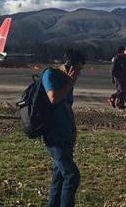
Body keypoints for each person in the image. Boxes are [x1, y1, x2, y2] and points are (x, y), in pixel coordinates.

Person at [41, 49, 86, 207]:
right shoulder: (50, 75)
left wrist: (73, 128)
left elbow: (67, 106)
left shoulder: (67, 80)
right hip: (54, 136)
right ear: (68, 66)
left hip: (66, 134)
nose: (79, 74)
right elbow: (53, 98)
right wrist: (70, 83)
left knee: (59, 176)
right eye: (78, 69)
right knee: (72, 176)